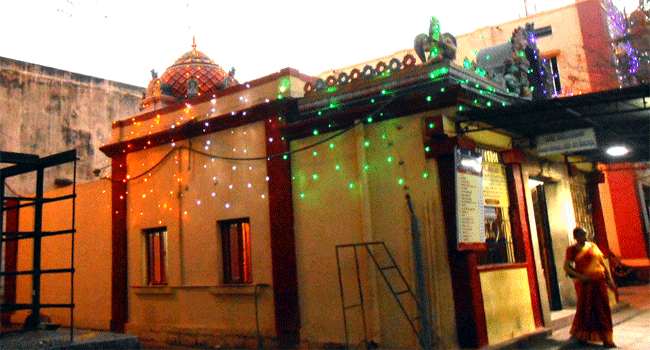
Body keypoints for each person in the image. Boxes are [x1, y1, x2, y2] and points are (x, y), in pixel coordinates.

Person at [563, 227, 617, 348]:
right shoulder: (572, 250)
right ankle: (583, 336)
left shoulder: (593, 246)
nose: (585, 236)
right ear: (576, 237)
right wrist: (581, 277)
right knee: (586, 310)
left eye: (586, 233)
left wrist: (609, 279)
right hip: (586, 284)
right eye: (582, 234)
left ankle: (608, 339)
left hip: (600, 282)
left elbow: (601, 263)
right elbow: (566, 267)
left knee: (603, 309)